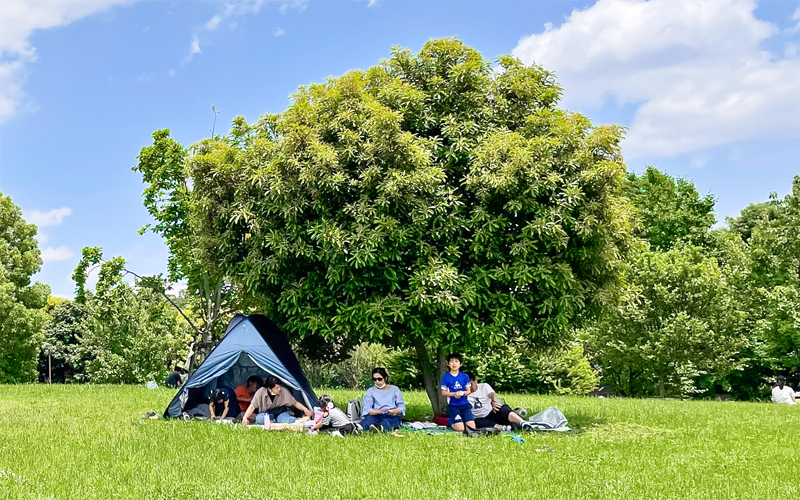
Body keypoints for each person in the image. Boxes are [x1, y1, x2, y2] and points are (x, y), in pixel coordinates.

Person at [466, 373, 531, 431]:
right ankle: (507, 428)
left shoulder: (484, 386)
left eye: (471, 384)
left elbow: (492, 394)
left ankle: (524, 423)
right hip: (480, 418)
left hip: (491, 412)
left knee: (502, 408)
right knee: (477, 422)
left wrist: (495, 402)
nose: (469, 388)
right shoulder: (463, 393)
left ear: (475, 381)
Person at [241, 375, 313, 427]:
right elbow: (252, 407)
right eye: (276, 387)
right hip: (267, 415)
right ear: (269, 389)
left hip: (280, 413)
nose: (279, 389)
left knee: (288, 420)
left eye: (279, 386)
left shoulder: (283, 391)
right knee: (259, 419)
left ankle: (279, 421)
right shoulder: (260, 392)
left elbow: (295, 403)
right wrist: (245, 417)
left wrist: (305, 409)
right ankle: (274, 422)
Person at [440, 353, 477, 434]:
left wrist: (462, 393)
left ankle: (462, 420)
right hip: (453, 406)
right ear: (448, 364)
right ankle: (451, 423)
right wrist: (454, 394)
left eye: (456, 361)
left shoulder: (465, 376)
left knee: (472, 428)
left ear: (460, 364)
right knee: (460, 428)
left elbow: (468, 391)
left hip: (465, 405)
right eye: (451, 361)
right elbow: (443, 392)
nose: (454, 364)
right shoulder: (445, 377)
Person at [361, 367, 406, 432]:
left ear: (385, 378)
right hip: (376, 415)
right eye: (374, 379)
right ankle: (358, 428)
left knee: (389, 421)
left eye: (379, 379)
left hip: (391, 416)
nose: (377, 382)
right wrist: (379, 412)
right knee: (368, 421)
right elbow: (367, 409)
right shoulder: (370, 391)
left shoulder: (395, 390)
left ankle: (380, 428)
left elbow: (401, 407)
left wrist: (395, 411)